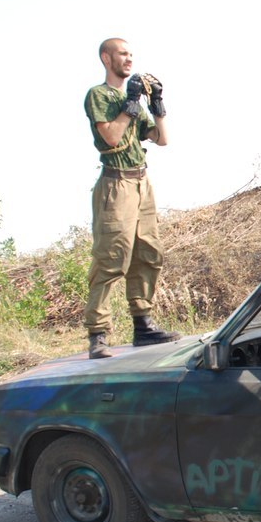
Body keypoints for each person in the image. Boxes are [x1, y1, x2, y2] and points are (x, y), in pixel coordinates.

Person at [82, 37, 181, 359]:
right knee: (112, 259)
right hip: (116, 184)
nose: (128, 60)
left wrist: (158, 105)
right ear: (106, 58)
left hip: (141, 183)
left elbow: (162, 139)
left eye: (131, 55)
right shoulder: (99, 95)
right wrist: (131, 104)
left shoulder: (132, 101)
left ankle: (143, 325)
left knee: (148, 254)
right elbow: (110, 135)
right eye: (122, 54)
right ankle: (98, 334)